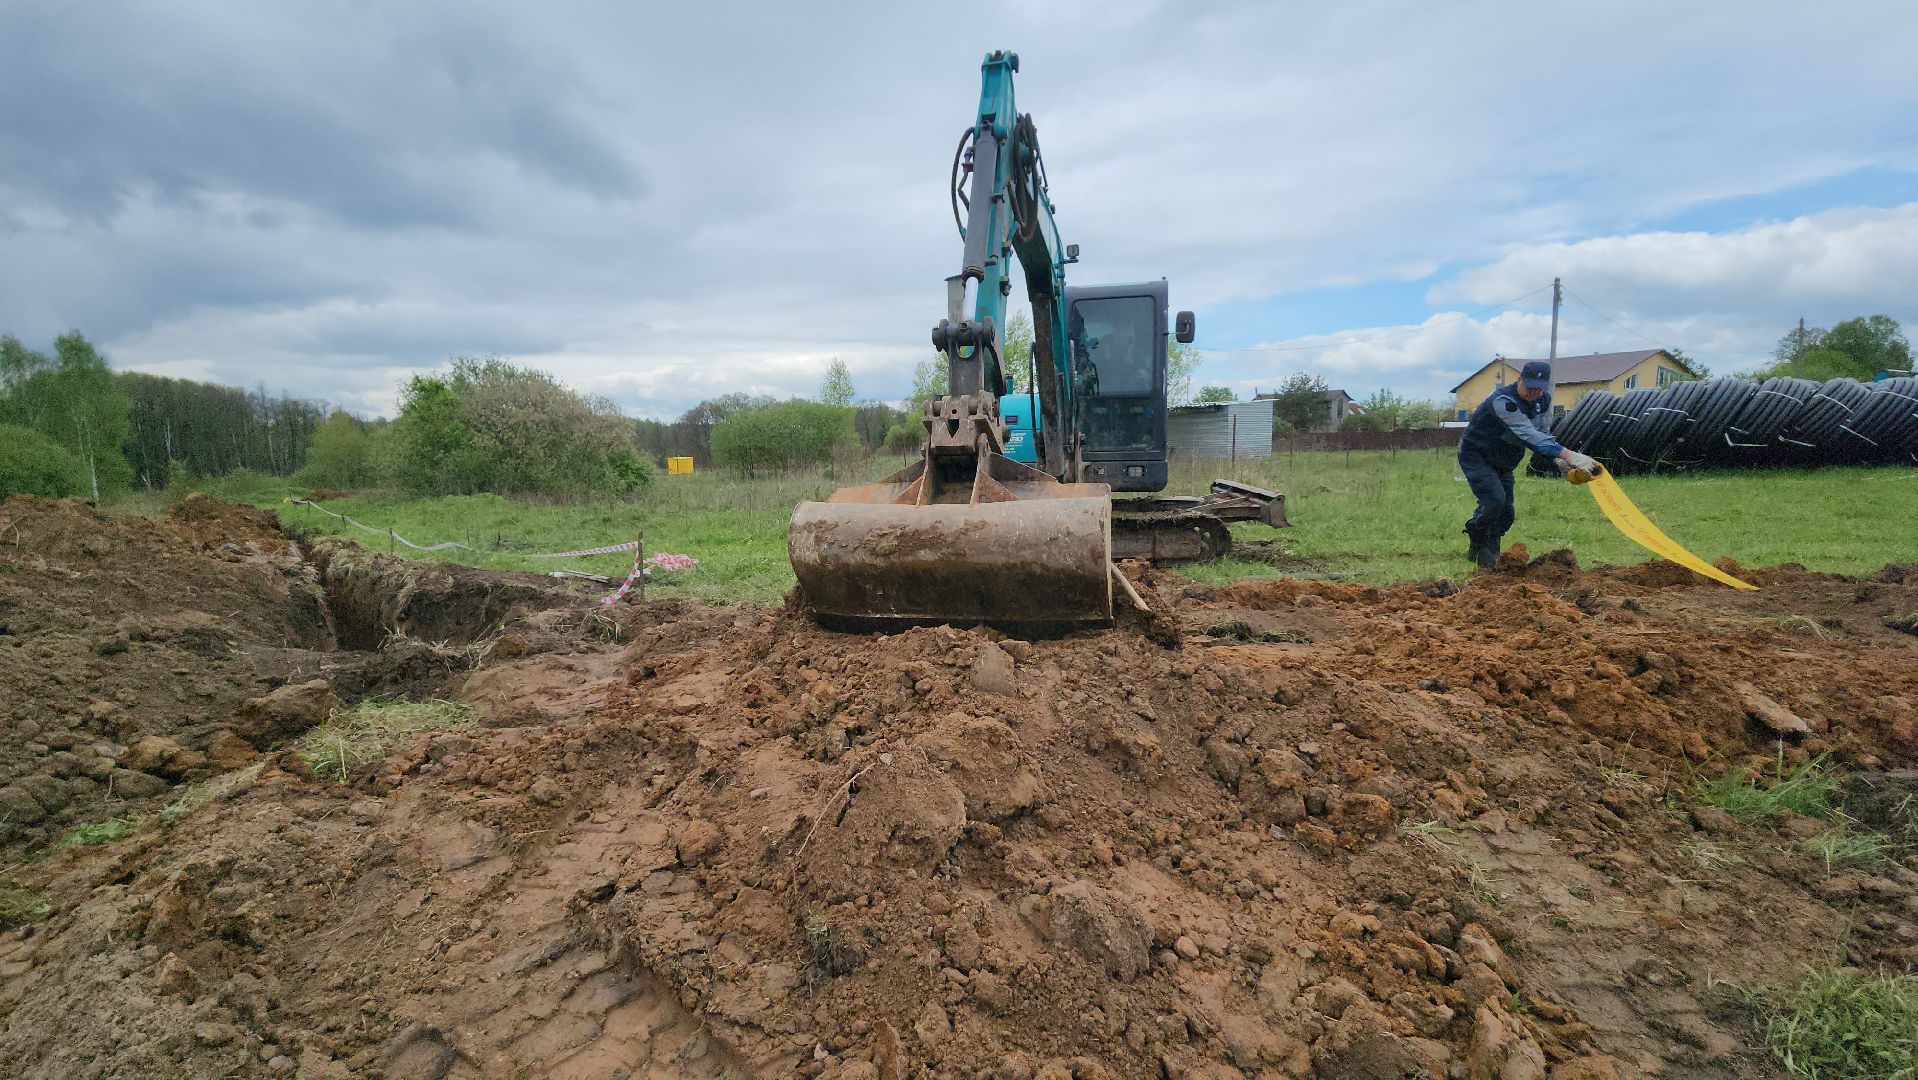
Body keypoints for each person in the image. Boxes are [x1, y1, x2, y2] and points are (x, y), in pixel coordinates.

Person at [1457, 360, 1597, 568]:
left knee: (1506, 512)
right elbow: (1527, 433)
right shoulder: (1503, 401)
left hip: (1504, 460)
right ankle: (1484, 545)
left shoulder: (1543, 401)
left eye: (1539, 389)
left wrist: (1558, 460)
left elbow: (1541, 433)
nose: (1533, 392)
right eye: (1529, 386)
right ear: (1519, 379)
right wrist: (1570, 455)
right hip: (1477, 456)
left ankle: (1483, 538)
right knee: (1495, 499)